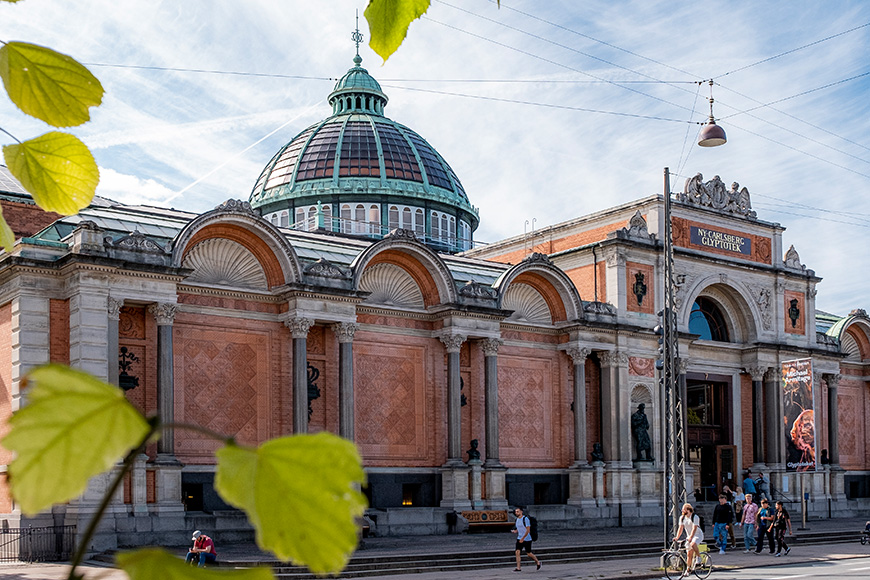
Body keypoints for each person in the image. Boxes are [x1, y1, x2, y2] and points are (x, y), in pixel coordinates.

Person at [673, 503, 704, 576]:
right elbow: (680, 528)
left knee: (693, 543)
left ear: (688, 510)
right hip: (689, 536)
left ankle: (698, 558)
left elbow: (694, 528)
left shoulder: (694, 517)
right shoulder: (682, 518)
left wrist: (691, 537)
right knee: (689, 554)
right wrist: (677, 537)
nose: (682, 511)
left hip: (697, 535)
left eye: (684, 509)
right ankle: (688, 570)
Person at [511, 507, 541, 572]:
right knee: (517, 552)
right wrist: (515, 531)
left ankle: (538, 562)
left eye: (518, 511)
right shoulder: (517, 520)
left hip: (527, 539)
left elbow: (528, 530)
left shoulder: (525, 519)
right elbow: (519, 528)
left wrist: (523, 538)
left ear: (521, 512)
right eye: (516, 512)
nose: (516, 513)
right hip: (519, 538)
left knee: (529, 553)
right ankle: (518, 567)